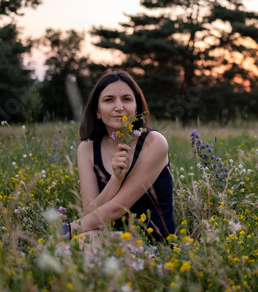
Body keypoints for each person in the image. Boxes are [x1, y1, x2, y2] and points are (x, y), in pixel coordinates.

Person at [62, 69, 175, 243]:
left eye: (126, 99)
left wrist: (67, 231)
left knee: (78, 245)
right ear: (97, 111)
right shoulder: (87, 149)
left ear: (136, 107)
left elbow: (118, 209)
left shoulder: (154, 143)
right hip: (108, 238)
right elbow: (91, 212)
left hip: (152, 245)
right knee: (76, 246)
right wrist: (115, 178)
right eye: (109, 100)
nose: (119, 107)